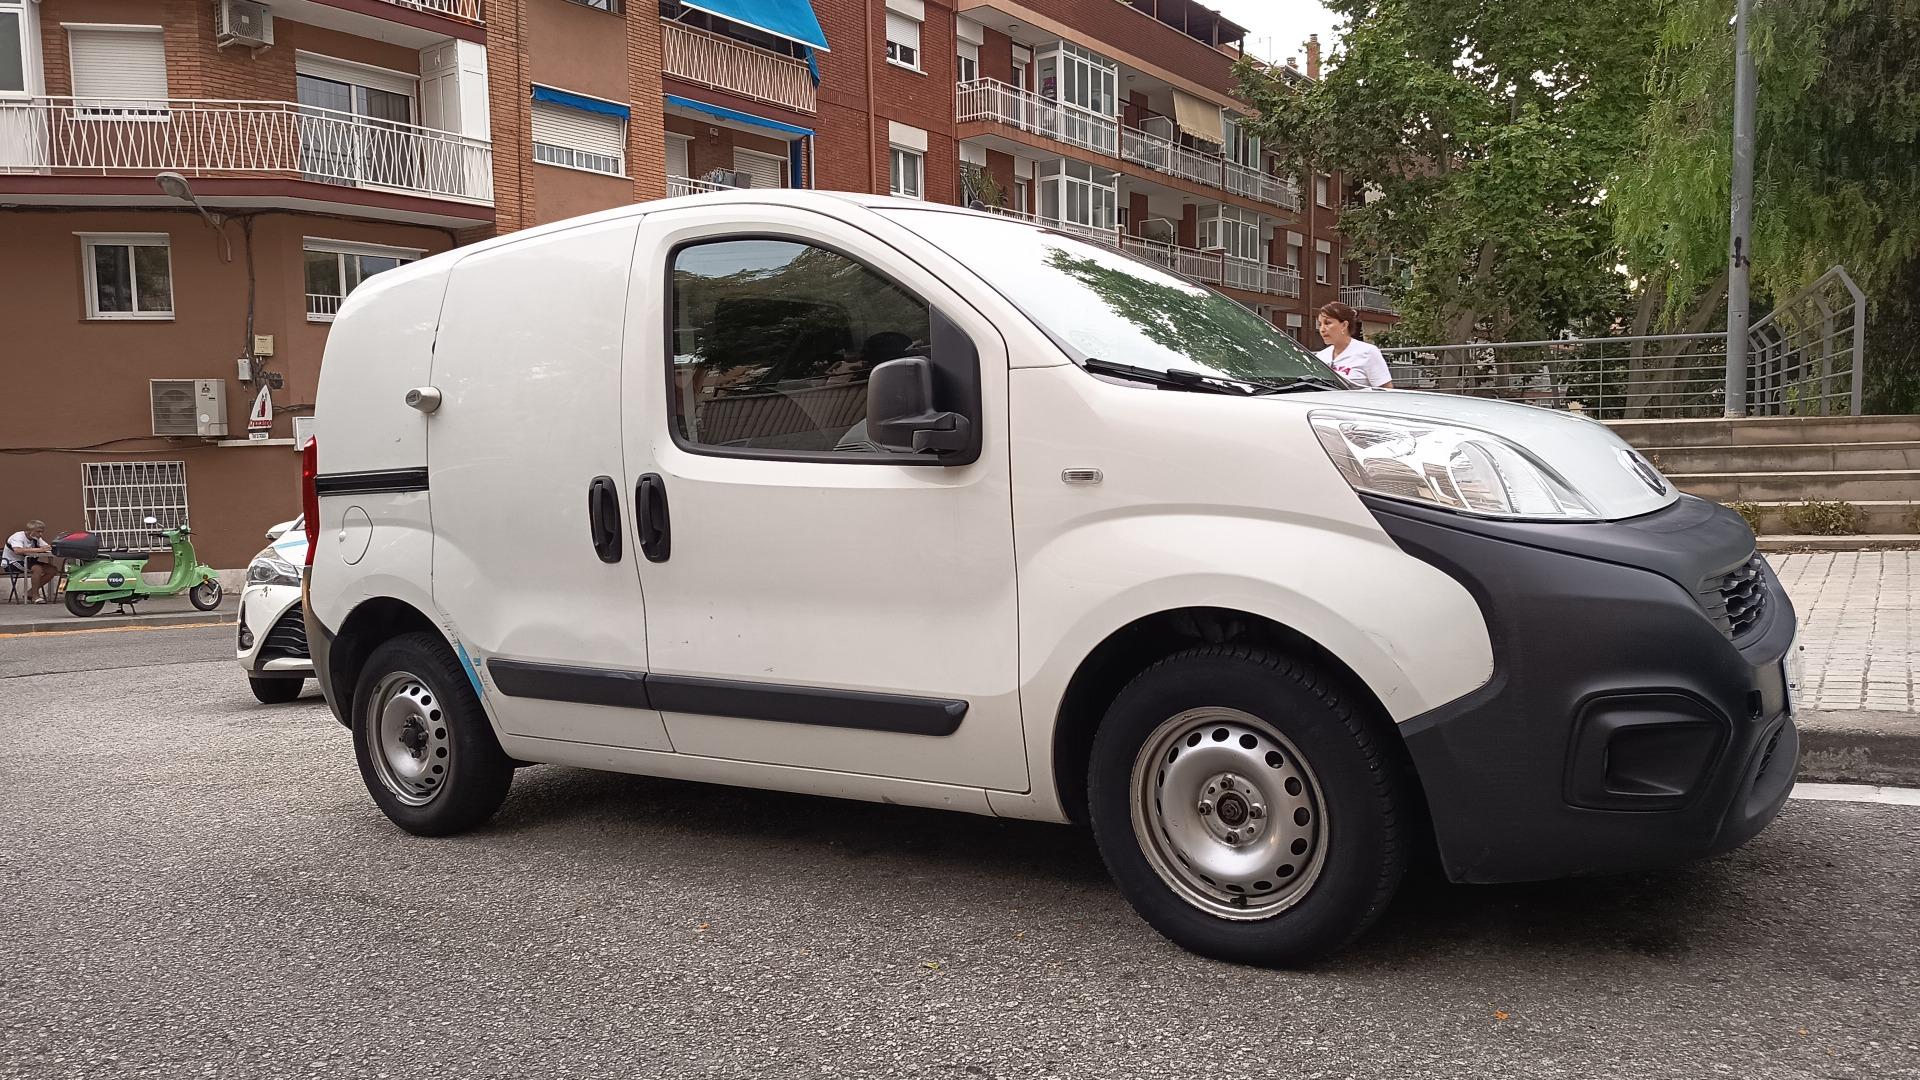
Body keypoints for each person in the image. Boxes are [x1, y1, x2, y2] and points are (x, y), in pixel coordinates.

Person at [1314, 301, 1394, 389]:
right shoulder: (1320, 356)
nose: (1322, 329)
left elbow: (1386, 390)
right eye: (1320, 324)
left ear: (1344, 325)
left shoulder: (1368, 352)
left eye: (1327, 323)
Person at [4, 520, 59, 604]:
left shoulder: (36, 538)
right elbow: (18, 550)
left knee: (52, 570)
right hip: (13, 562)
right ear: (29, 530)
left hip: (29, 561)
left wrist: (52, 547)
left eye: (42, 532)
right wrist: (39, 549)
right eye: (38, 532)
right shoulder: (18, 536)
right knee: (37, 569)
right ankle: (35, 596)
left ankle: (30, 592)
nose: (40, 534)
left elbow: (46, 547)